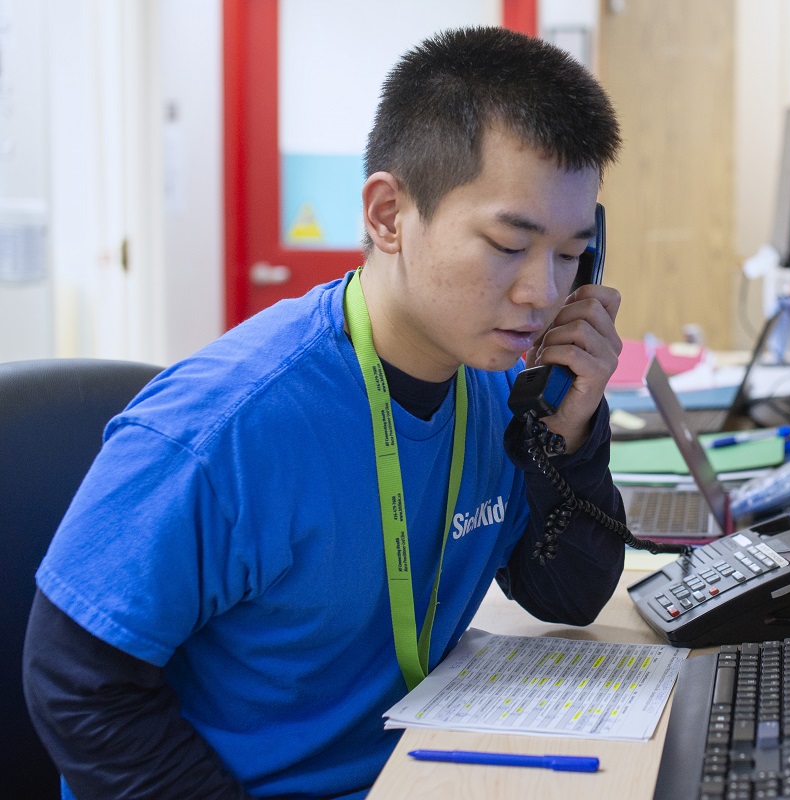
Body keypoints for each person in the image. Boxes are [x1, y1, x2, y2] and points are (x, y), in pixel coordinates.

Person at [24, 26, 626, 799]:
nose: (544, 291)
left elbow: (566, 594)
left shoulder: (494, 386)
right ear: (387, 216)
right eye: (510, 244)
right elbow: (73, 680)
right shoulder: (228, 426)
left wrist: (569, 430)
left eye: (573, 251)